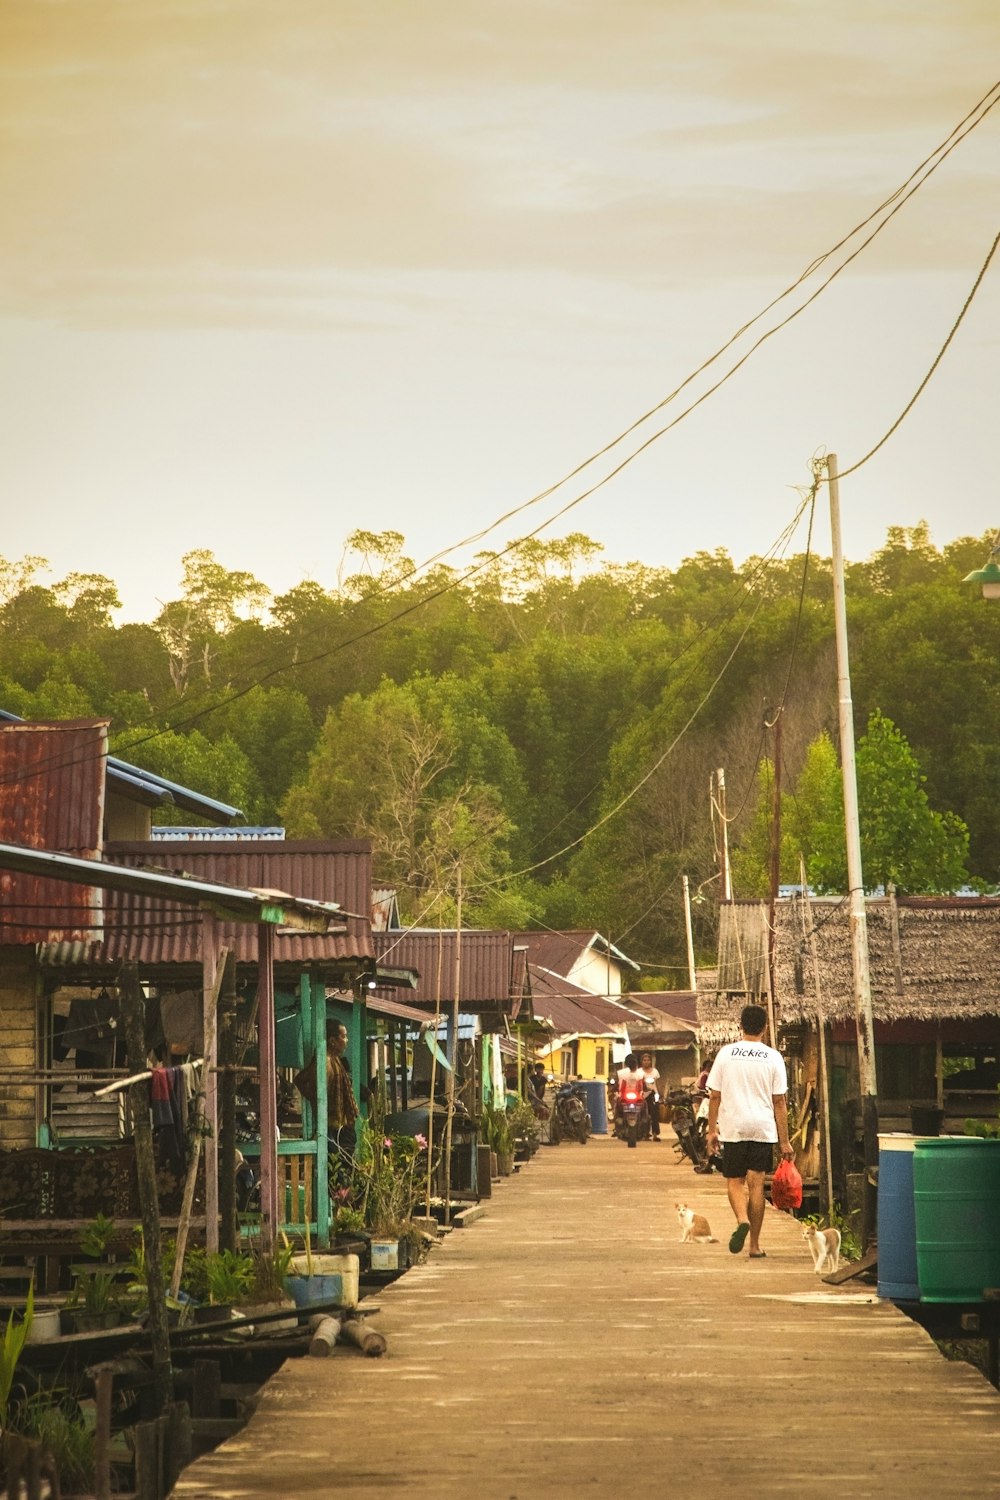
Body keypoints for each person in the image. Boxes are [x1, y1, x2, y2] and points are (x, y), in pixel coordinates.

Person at [705, 1005, 793, 1259]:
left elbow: (714, 1096)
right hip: (762, 1128)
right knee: (756, 1185)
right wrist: (784, 1141)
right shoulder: (773, 1057)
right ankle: (754, 1245)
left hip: (734, 1127)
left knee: (735, 1181)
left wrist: (712, 1131)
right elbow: (779, 1102)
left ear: (740, 1026)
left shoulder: (726, 1053)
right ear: (765, 1028)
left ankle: (742, 1219)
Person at [293, 1019, 360, 1182]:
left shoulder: (333, 1059)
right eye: (343, 1037)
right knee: (341, 1175)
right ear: (332, 1041)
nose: (346, 1041)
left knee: (344, 1171)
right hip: (334, 1128)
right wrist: (317, 1100)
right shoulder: (326, 1062)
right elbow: (302, 1081)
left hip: (339, 1126)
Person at [638, 1052, 662, 1141]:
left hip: (653, 1094)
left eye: (648, 1060)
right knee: (644, 1114)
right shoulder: (639, 1072)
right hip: (643, 1095)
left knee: (654, 1114)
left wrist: (659, 1094)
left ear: (650, 1061)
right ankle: (645, 1134)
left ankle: (655, 1134)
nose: (646, 1062)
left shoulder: (655, 1071)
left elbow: (657, 1084)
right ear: (641, 1062)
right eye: (644, 1060)